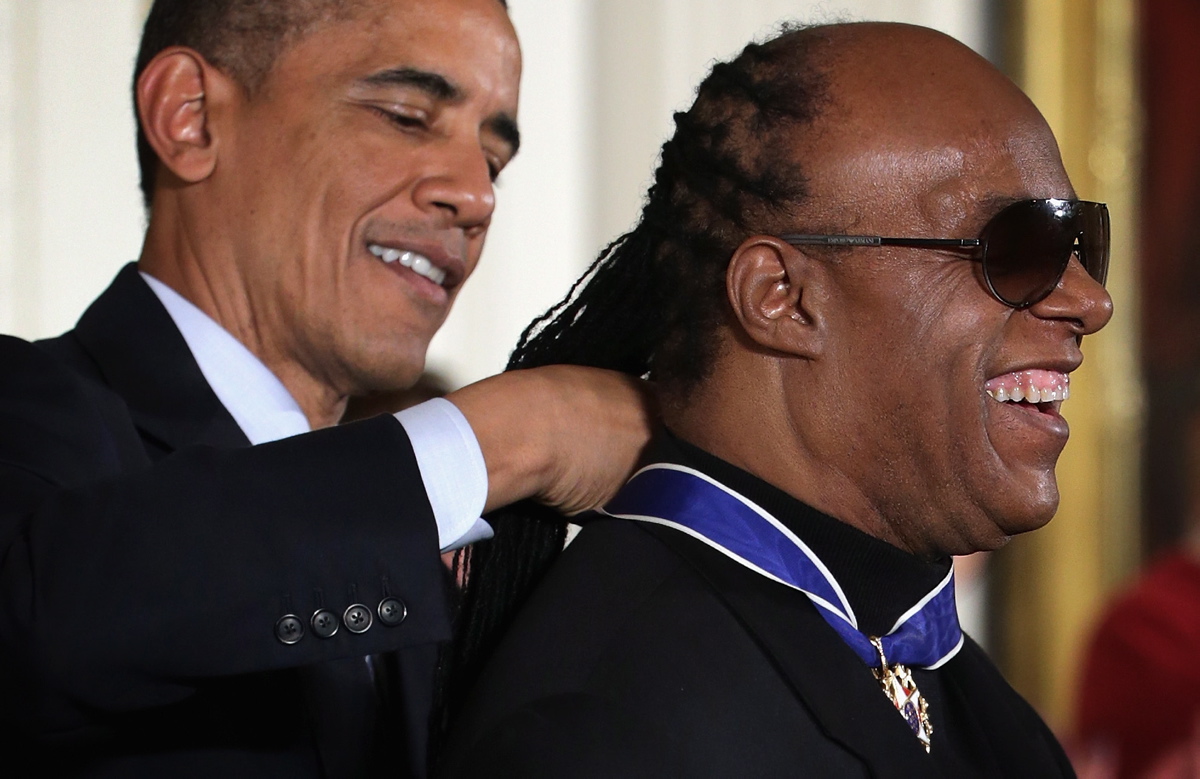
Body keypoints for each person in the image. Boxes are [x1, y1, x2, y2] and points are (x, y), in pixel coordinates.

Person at [439, 21, 1113, 777]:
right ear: (783, 298)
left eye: (1083, 241)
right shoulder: (601, 724)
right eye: (1016, 248)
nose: (1090, 301)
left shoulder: (990, 717)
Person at [0, 1, 653, 777]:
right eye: (408, 117)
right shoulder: (30, 417)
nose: (477, 199)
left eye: (494, 162)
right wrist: (515, 433)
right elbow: (45, 622)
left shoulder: (415, 556)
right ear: (192, 119)